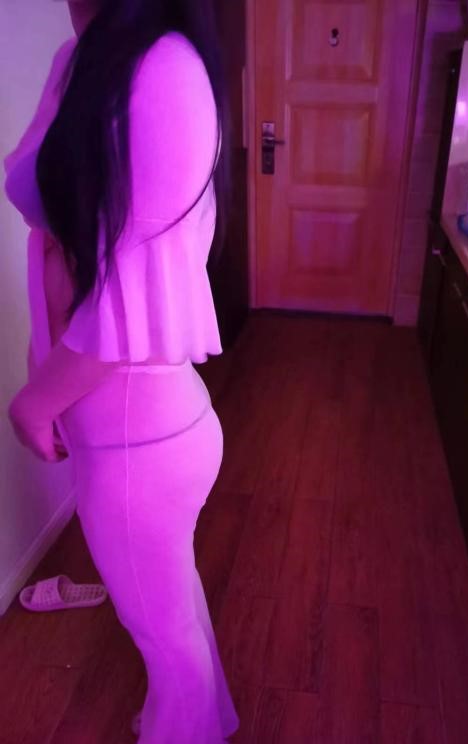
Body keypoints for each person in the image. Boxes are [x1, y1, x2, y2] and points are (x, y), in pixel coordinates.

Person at [3, 1, 240, 742]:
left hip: (142, 441)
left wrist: (34, 403)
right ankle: (202, 720)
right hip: (123, 432)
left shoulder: (163, 69)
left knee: (166, 642)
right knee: (173, 622)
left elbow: (125, 310)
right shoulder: (81, 60)